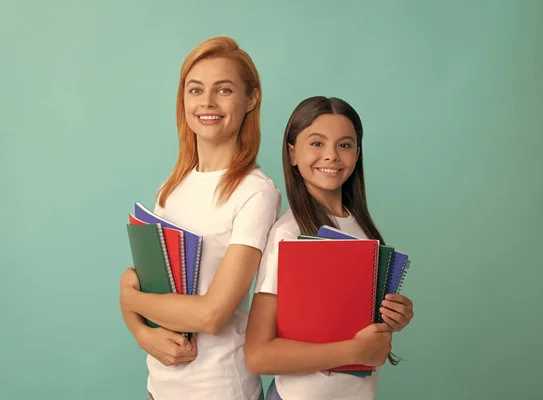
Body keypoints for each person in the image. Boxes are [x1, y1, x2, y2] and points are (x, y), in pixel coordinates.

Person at [119, 36, 281, 400]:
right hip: (159, 388)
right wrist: (142, 333)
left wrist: (128, 299)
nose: (207, 102)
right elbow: (141, 282)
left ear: (251, 98)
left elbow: (212, 314)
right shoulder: (171, 187)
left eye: (224, 90)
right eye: (195, 90)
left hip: (220, 390)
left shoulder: (256, 192)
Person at [244, 96, 415, 400]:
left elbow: (353, 325)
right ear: (292, 153)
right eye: (317, 143)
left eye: (345, 145)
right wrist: (354, 350)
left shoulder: (362, 230)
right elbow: (258, 354)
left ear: (357, 153)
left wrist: (394, 316)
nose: (332, 156)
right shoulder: (288, 234)